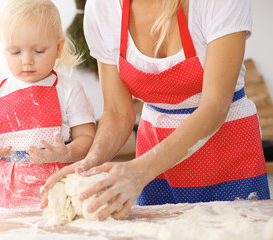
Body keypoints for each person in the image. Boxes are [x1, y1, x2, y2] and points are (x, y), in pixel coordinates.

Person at [41, 0, 270, 220]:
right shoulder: (101, 6)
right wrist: (90, 163)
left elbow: (215, 105)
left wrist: (141, 170)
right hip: (154, 161)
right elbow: (117, 112)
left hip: (227, 153)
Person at [0, 0, 95, 213]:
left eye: (38, 50)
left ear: (58, 47)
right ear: (3, 49)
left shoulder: (68, 89)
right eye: (15, 52)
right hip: (10, 198)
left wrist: (66, 153)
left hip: (58, 191)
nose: (27, 60)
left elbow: (87, 138)